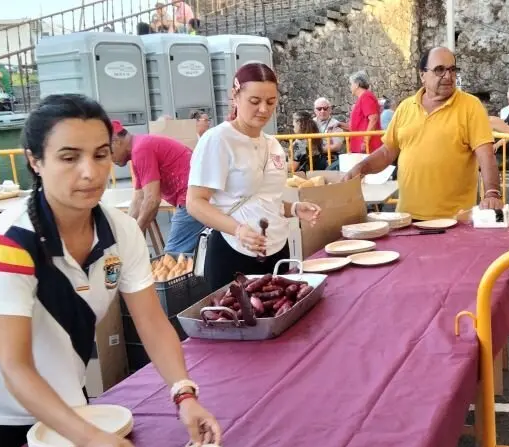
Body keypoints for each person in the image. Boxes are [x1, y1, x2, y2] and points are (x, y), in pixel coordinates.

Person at [0, 94, 222, 447]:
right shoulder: (10, 241)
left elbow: (152, 322)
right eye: (69, 157)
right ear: (35, 161)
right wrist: (89, 437)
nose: (90, 173)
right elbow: (14, 366)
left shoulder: (120, 232)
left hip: (68, 412)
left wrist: (184, 395)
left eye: (101, 154)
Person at [186, 63, 321, 291]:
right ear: (235, 96)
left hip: (278, 249)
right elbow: (195, 202)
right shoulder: (218, 140)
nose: (263, 110)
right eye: (255, 101)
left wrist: (295, 208)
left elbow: (267, 200)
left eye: (271, 102)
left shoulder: (273, 144)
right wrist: (237, 230)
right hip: (233, 252)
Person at [343, 47, 503, 220]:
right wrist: (361, 168)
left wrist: (492, 193)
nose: (448, 76)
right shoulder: (405, 107)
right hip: (406, 218)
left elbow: (486, 155)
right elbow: (387, 151)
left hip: (454, 220)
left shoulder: (471, 106)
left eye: (452, 70)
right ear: (422, 75)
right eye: (439, 70)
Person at [111, 122, 205, 254]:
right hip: (196, 196)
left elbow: (152, 200)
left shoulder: (141, 149)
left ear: (116, 141)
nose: (110, 159)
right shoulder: (138, 149)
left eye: (109, 152)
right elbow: (139, 198)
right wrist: (129, 229)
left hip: (193, 198)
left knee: (172, 258)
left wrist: (134, 236)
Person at [343, 71, 383, 153]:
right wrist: (339, 124)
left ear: (357, 84)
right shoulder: (363, 97)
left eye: (351, 84)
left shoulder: (366, 96)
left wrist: (365, 141)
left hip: (368, 147)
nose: (350, 87)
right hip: (362, 146)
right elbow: (357, 124)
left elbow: (373, 118)